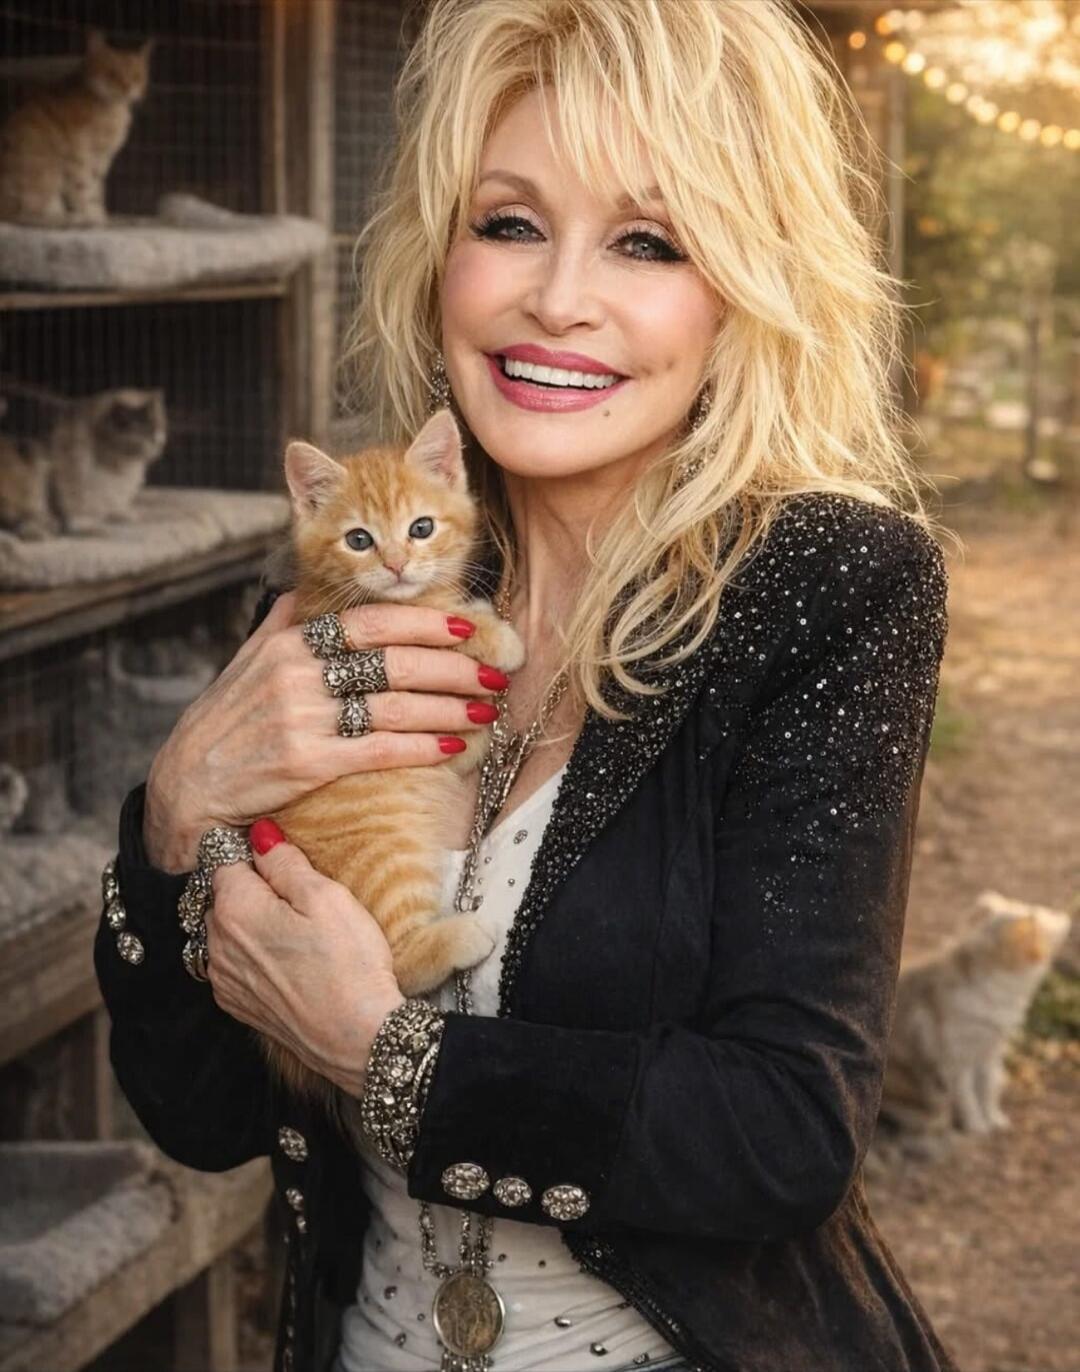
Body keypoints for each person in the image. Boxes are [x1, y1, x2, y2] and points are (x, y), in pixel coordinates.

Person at [93, 2, 961, 1370]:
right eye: (508, 222)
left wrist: (383, 1049)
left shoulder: (825, 586)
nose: (558, 298)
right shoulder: (349, 596)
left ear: (745, 288)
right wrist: (173, 813)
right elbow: (198, 1118)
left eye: (648, 241)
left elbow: (787, 1131)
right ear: (440, 256)